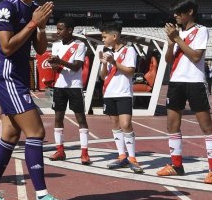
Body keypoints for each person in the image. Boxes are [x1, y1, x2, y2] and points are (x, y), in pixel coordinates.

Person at [0, 0, 71, 200]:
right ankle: (42, 197)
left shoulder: (33, 9)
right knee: (36, 131)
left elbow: (40, 50)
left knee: (9, 135)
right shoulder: (7, 7)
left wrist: (40, 26)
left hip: (18, 76)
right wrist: (32, 24)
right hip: (7, 76)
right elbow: (6, 47)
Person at [157, 0, 212, 184]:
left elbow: (195, 56)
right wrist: (170, 43)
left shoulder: (200, 30)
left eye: (179, 12)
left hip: (194, 82)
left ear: (190, 11)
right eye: (174, 13)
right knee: (172, 125)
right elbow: (169, 60)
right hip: (176, 82)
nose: (175, 16)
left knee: (206, 125)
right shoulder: (177, 33)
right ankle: (176, 165)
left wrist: (177, 38)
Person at [98, 21, 143, 174]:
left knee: (126, 124)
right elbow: (102, 76)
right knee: (116, 125)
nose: (103, 39)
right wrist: (104, 63)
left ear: (114, 36)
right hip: (109, 93)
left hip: (123, 93)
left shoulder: (129, 50)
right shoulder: (108, 53)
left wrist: (114, 62)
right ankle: (121, 156)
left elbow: (130, 71)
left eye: (105, 37)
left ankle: (132, 158)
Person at [48, 17, 91, 165]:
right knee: (58, 118)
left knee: (81, 119)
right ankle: (60, 150)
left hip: (74, 86)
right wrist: (53, 64)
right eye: (57, 29)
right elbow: (56, 67)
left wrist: (60, 61)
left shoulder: (79, 45)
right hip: (59, 86)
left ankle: (84, 152)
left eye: (61, 29)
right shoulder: (55, 45)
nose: (58, 32)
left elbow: (77, 66)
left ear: (70, 30)